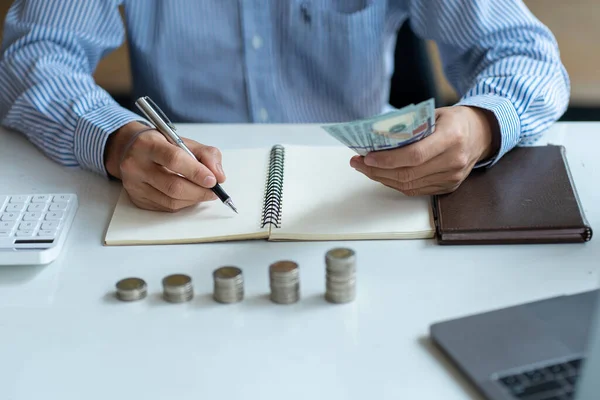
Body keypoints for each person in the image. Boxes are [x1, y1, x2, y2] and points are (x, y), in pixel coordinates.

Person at [0, 1, 569, 212]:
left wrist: (481, 124)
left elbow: (527, 55)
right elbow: (33, 53)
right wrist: (117, 139)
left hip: (371, 199)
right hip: (175, 185)